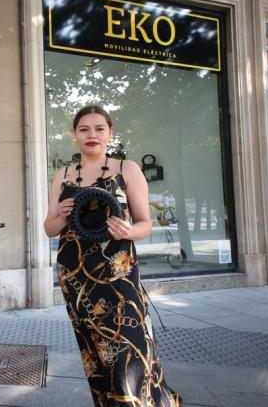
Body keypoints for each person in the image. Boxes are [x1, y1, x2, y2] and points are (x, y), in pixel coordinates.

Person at [44, 105, 181, 406]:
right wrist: (63, 216)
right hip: (76, 276)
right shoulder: (63, 175)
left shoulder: (126, 169)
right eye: (84, 129)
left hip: (118, 272)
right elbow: (49, 228)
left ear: (110, 132)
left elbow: (144, 224)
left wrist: (127, 231)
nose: (92, 135)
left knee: (129, 349)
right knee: (95, 352)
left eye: (99, 129)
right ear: (73, 135)